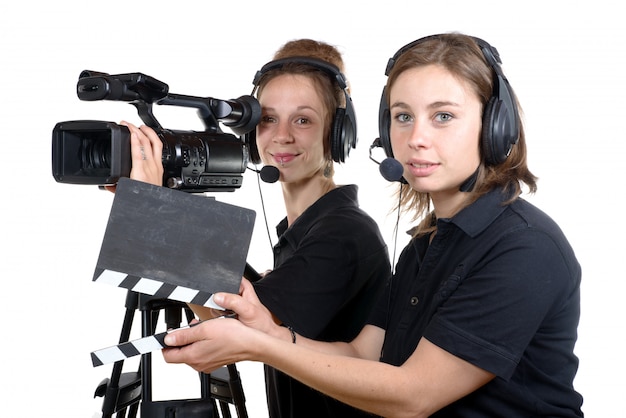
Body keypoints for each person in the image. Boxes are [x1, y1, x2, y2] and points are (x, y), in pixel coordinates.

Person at [162, 33, 584, 417]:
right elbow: (363, 354)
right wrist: (270, 333)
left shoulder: (524, 247)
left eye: (443, 116)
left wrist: (262, 346)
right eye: (403, 117)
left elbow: (415, 395)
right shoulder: (423, 247)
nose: (416, 137)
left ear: (495, 127)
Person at [120, 39, 391, 417]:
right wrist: (167, 197)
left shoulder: (344, 233)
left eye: (303, 119)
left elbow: (236, 326)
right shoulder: (303, 230)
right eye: (267, 118)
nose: (282, 136)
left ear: (337, 133)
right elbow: (234, 301)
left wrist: (154, 213)